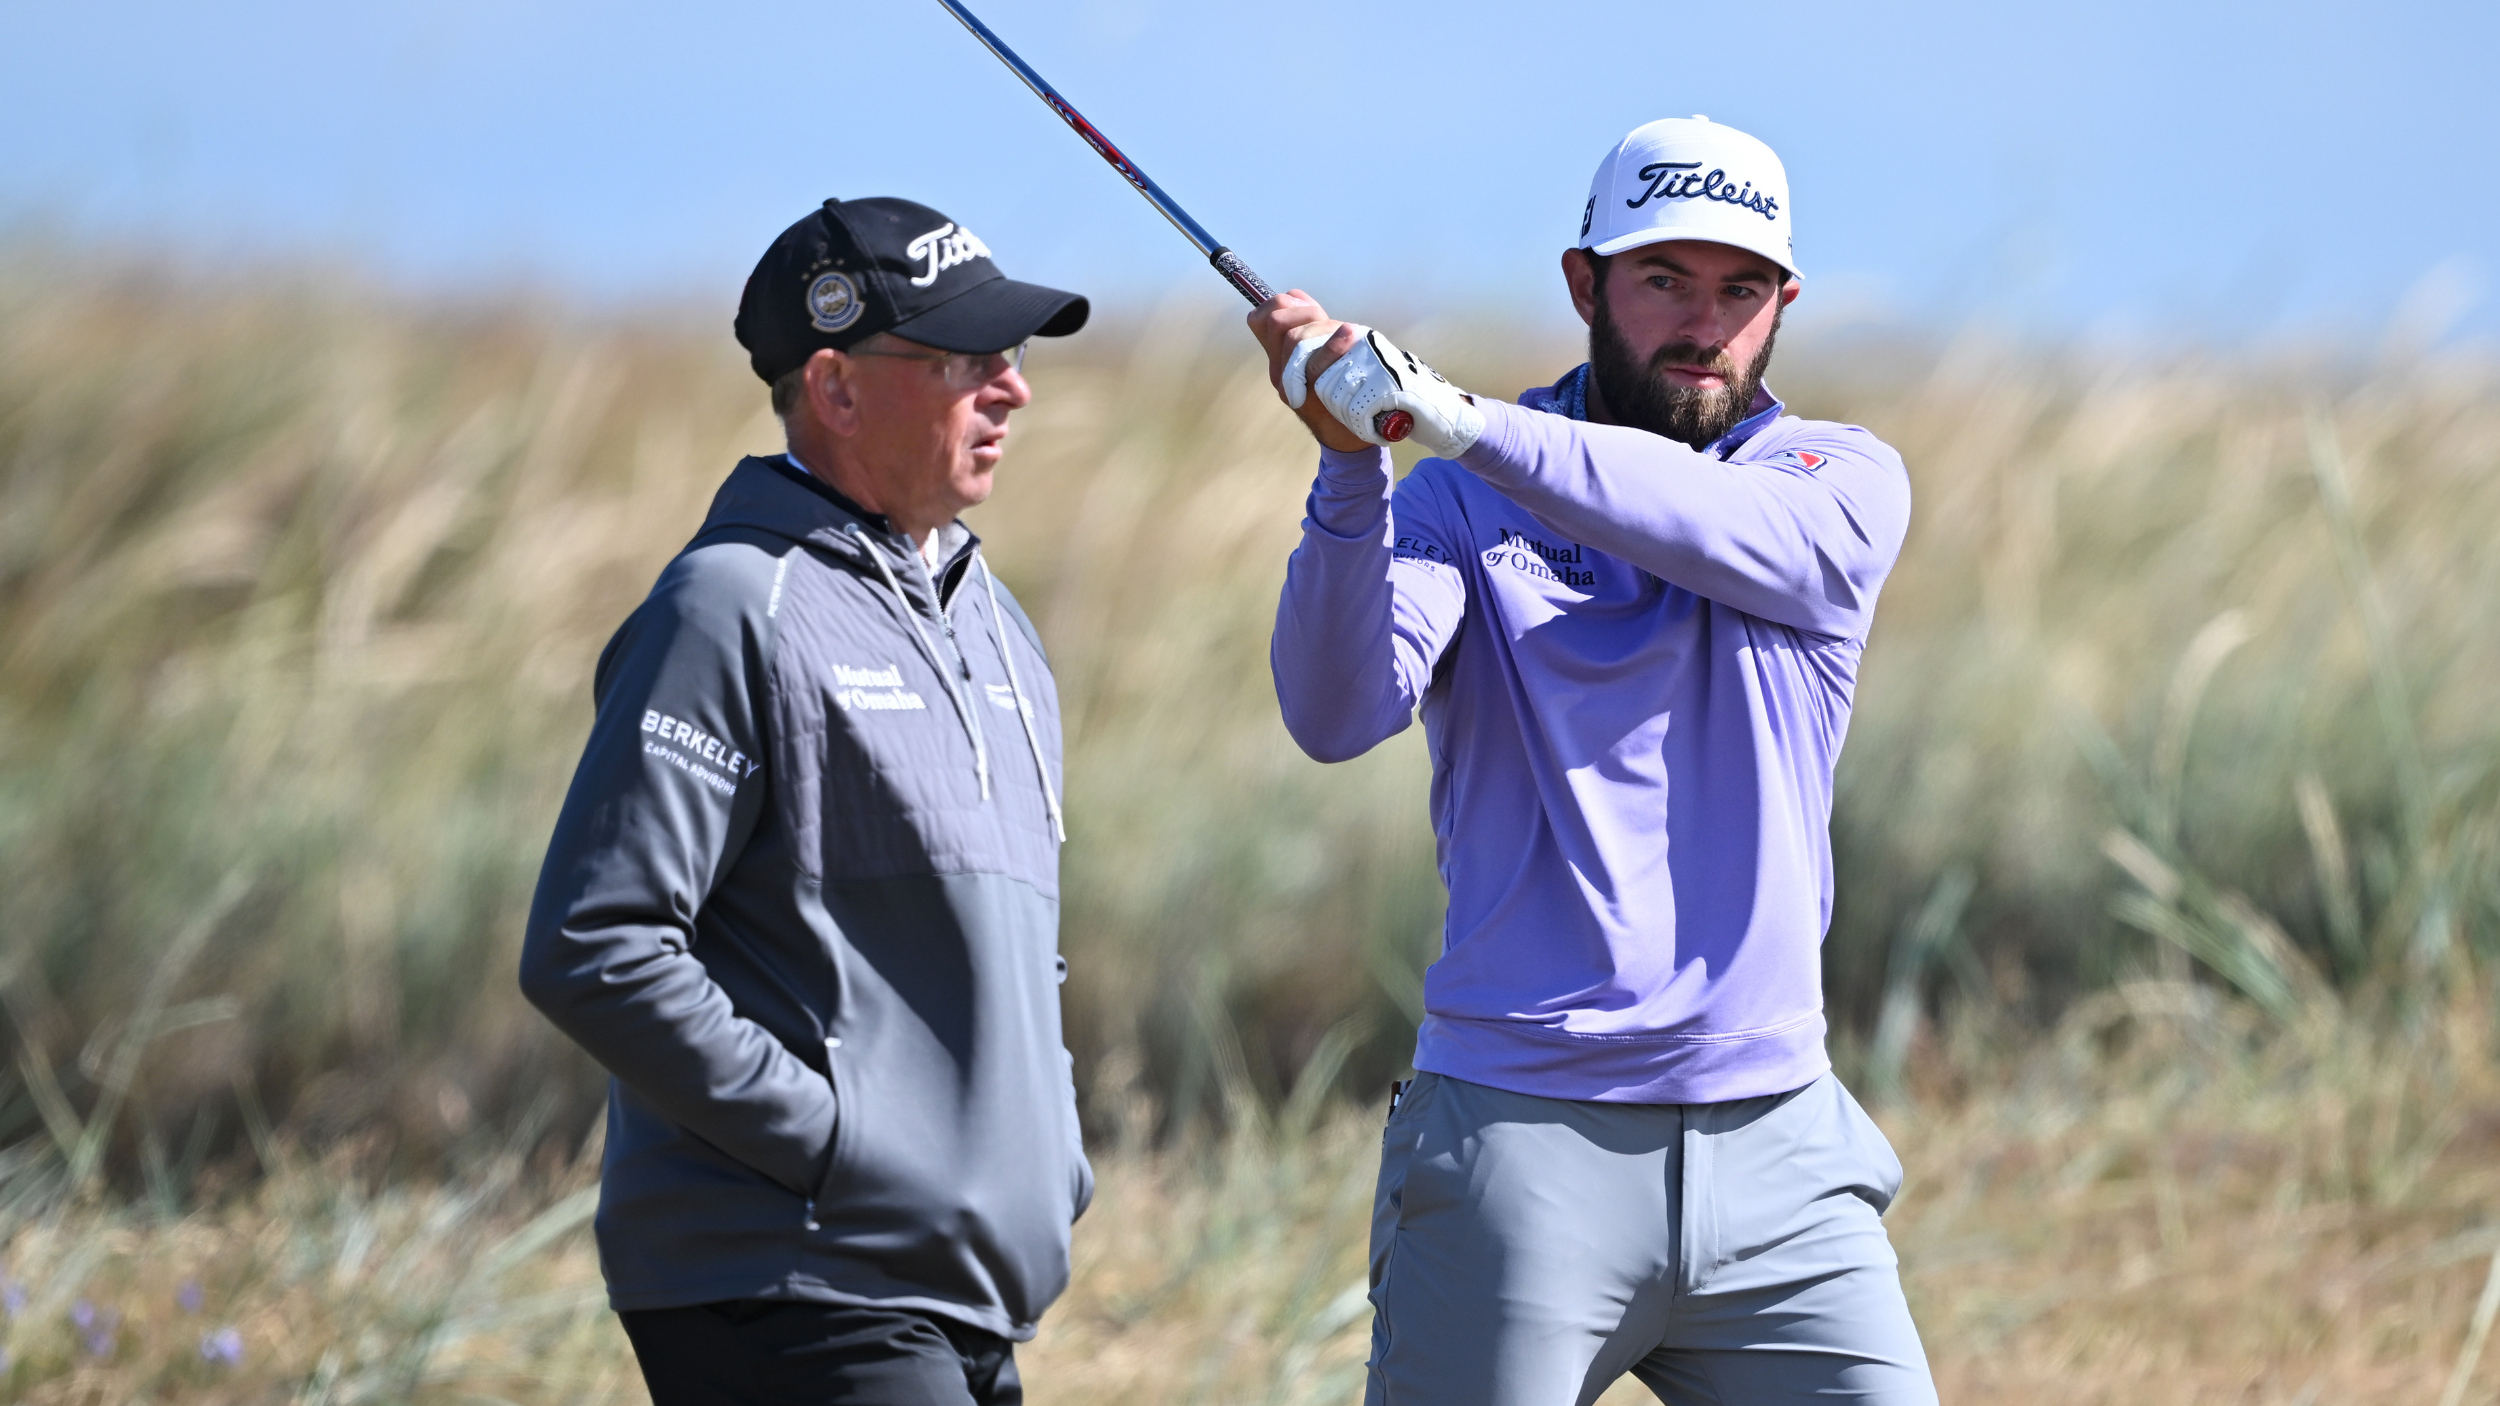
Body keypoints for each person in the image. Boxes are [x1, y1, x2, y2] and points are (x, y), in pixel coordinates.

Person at [1253, 118, 1937, 1404]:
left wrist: (1460, 420)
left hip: (1782, 1155)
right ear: (1585, 286)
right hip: (1520, 1144)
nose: (1704, 322)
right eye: (1662, 280)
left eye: (1740, 288)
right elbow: (1337, 712)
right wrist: (1352, 473)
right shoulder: (1457, 496)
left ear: (1784, 303)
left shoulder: (1834, 480)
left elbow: (1711, 524)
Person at [520, 196, 1090, 1406]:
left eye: (1011, 355)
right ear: (832, 387)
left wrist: (1049, 1151)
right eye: (963, 360)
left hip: (964, 1287)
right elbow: (595, 943)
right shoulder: (727, 606)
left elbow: (1018, 962)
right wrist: (841, 1145)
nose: (1011, 389)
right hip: (792, 1281)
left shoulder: (1004, 632)